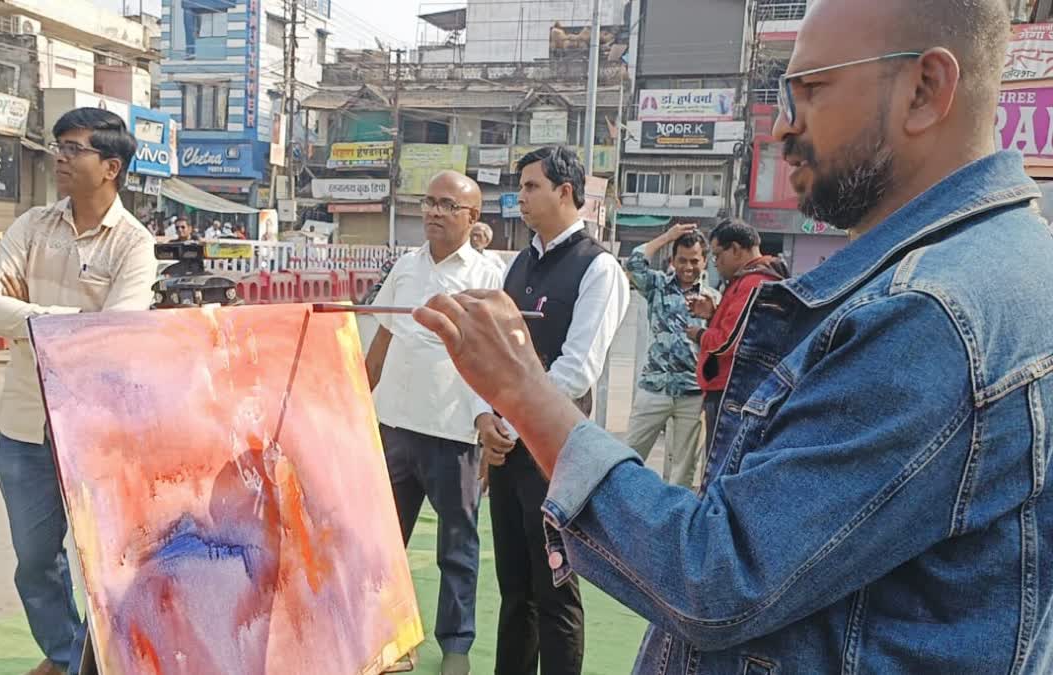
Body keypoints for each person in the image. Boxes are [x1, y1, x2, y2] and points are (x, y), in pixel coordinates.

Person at [412, 1, 1053, 672]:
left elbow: (719, 575)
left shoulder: (931, 313)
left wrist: (521, 389)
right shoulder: (991, 267)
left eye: (811, 90)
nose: (782, 126)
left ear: (924, 91)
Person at [0, 108, 156, 675]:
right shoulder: (32, 227)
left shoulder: (133, 244)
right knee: (35, 562)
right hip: (25, 427)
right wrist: (68, 317)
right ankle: (65, 652)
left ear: (111, 167)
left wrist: (31, 319)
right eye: (59, 147)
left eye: (74, 149)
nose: (60, 157)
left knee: (107, 562)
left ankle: (106, 660)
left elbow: (114, 336)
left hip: (99, 432)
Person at [472, 146, 629, 675]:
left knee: (555, 594)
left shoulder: (599, 268)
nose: (520, 197)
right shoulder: (519, 263)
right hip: (508, 452)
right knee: (515, 590)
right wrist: (485, 418)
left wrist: (509, 420)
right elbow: (494, 351)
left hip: (555, 458)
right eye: (520, 187)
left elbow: (577, 369)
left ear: (566, 192)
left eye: (532, 186)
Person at [363, 171, 503, 675]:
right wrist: (358, 401)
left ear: (472, 217)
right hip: (395, 427)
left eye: (448, 205)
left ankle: (456, 648)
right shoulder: (404, 265)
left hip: (454, 432)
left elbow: (494, 361)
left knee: (457, 546)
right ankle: (386, 639)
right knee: (383, 542)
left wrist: (489, 423)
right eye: (429, 202)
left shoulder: (488, 277)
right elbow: (381, 341)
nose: (435, 213)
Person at [624, 222, 720, 486]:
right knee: (627, 457)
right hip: (654, 388)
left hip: (692, 393)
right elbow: (633, 264)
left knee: (685, 472)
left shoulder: (714, 299)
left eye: (694, 261)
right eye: (681, 260)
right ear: (672, 260)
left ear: (705, 260)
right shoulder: (657, 286)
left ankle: (676, 523)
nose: (688, 268)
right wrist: (667, 236)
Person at [685, 220, 788, 451]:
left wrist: (699, 334)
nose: (716, 263)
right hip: (732, 387)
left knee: (720, 462)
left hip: (731, 389)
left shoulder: (754, 282)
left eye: (717, 255)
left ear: (735, 249)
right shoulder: (747, 279)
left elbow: (728, 341)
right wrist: (713, 314)